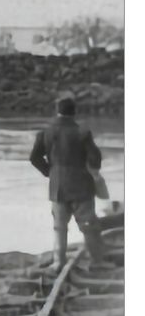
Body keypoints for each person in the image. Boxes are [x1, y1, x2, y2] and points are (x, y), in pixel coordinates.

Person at [29, 96, 110, 272]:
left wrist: (49, 172)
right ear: (74, 112)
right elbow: (95, 159)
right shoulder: (83, 133)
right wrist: (93, 169)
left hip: (57, 186)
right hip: (81, 186)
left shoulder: (45, 132)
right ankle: (97, 262)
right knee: (89, 225)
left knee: (59, 227)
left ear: (57, 111)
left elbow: (34, 158)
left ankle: (58, 262)